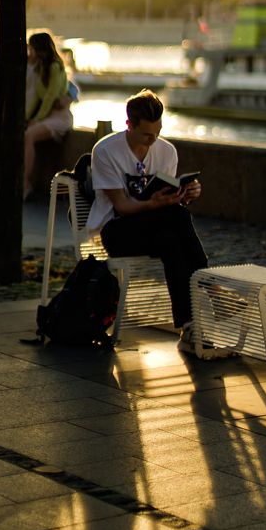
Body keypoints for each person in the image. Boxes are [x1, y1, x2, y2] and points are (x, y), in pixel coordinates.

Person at [87, 88, 207, 353]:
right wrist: (154, 204)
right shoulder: (106, 151)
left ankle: (188, 326)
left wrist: (186, 194)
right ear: (128, 124)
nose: (152, 140)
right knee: (175, 221)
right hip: (118, 230)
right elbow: (121, 206)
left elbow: (168, 202)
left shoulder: (166, 151)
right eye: (146, 134)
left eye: (158, 132)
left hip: (156, 228)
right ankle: (208, 284)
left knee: (171, 239)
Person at [24, 31, 73, 199]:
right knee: (27, 134)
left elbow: (50, 98)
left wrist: (36, 120)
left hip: (59, 117)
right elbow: (37, 98)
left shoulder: (55, 67)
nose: (31, 53)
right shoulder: (40, 67)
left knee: (29, 135)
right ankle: (25, 183)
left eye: (33, 49)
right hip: (45, 117)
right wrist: (27, 118)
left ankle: (25, 183)